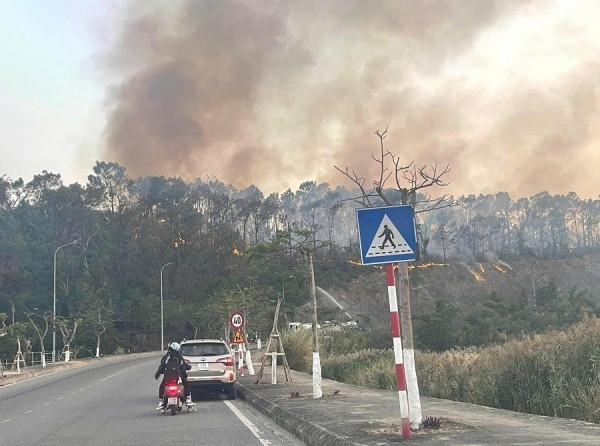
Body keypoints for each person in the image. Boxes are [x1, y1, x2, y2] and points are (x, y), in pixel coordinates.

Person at [155, 341, 192, 410]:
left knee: (162, 386)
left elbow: (161, 367)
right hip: (178, 375)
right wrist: (188, 369)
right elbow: (184, 366)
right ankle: (188, 399)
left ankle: (160, 402)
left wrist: (157, 375)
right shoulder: (179, 357)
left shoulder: (166, 357)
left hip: (168, 376)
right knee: (186, 384)